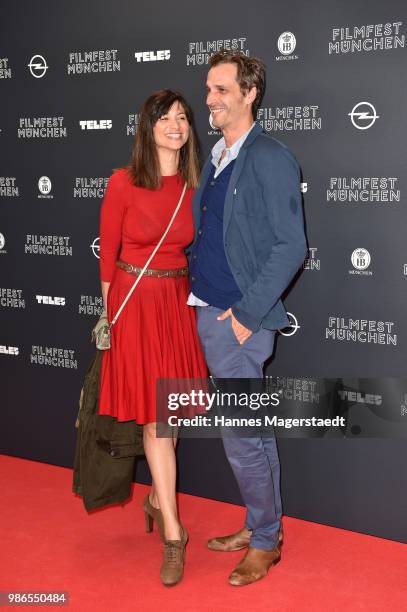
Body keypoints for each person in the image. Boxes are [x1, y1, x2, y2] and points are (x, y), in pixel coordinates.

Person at [188, 50, 307, 586]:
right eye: (208, 90)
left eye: (220, 89)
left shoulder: (269, 156)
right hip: (211, 311)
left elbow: (290, 247)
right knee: (253, 434)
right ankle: (266, 526)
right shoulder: (219, 155)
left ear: (249, 92)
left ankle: (264, 541)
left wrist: (245, 314)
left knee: (241, 437)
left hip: (237, 319)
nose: (209, 99)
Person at [98, 89, 207, 587]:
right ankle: (173, 534)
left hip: (174, 305)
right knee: (156, 418)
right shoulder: (122, 182)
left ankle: (156, 498)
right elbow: (108, 258)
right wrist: (110, 317)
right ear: (147, 127)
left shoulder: (194, 182)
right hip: (135, 306)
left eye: (182, 117)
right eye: (165, 118)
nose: (176, 125)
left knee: (170, 415)